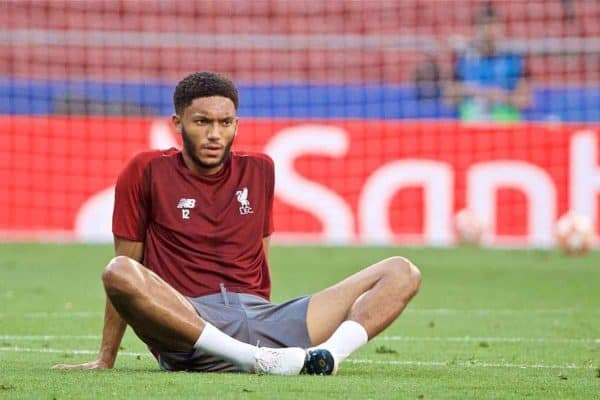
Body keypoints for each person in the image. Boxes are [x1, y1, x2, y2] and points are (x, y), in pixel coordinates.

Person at [52, 72, 421, 375]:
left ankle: (326, 359)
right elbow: (129, 267)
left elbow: (260, 260)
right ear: (177, 123)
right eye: (202, 122)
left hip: (264, 320)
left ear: (236, 125)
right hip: (190, 322)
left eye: (225, 122)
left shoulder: (260, 169)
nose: (215, 134)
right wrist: (106, 357)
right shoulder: (145, 170)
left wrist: (267, 321)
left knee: (401, 271)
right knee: (118, 272)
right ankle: (254, 360)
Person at [444, 3, 532, 122]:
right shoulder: (464, 60)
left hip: (505, 127)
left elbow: (525, 100)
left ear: (501, 28)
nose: (489, 31)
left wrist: (499, 97)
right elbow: (449, 99)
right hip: (472, 127)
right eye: (484, 26)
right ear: (476, 29)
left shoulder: (513, 59)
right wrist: (478, 92)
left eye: (494, 25)